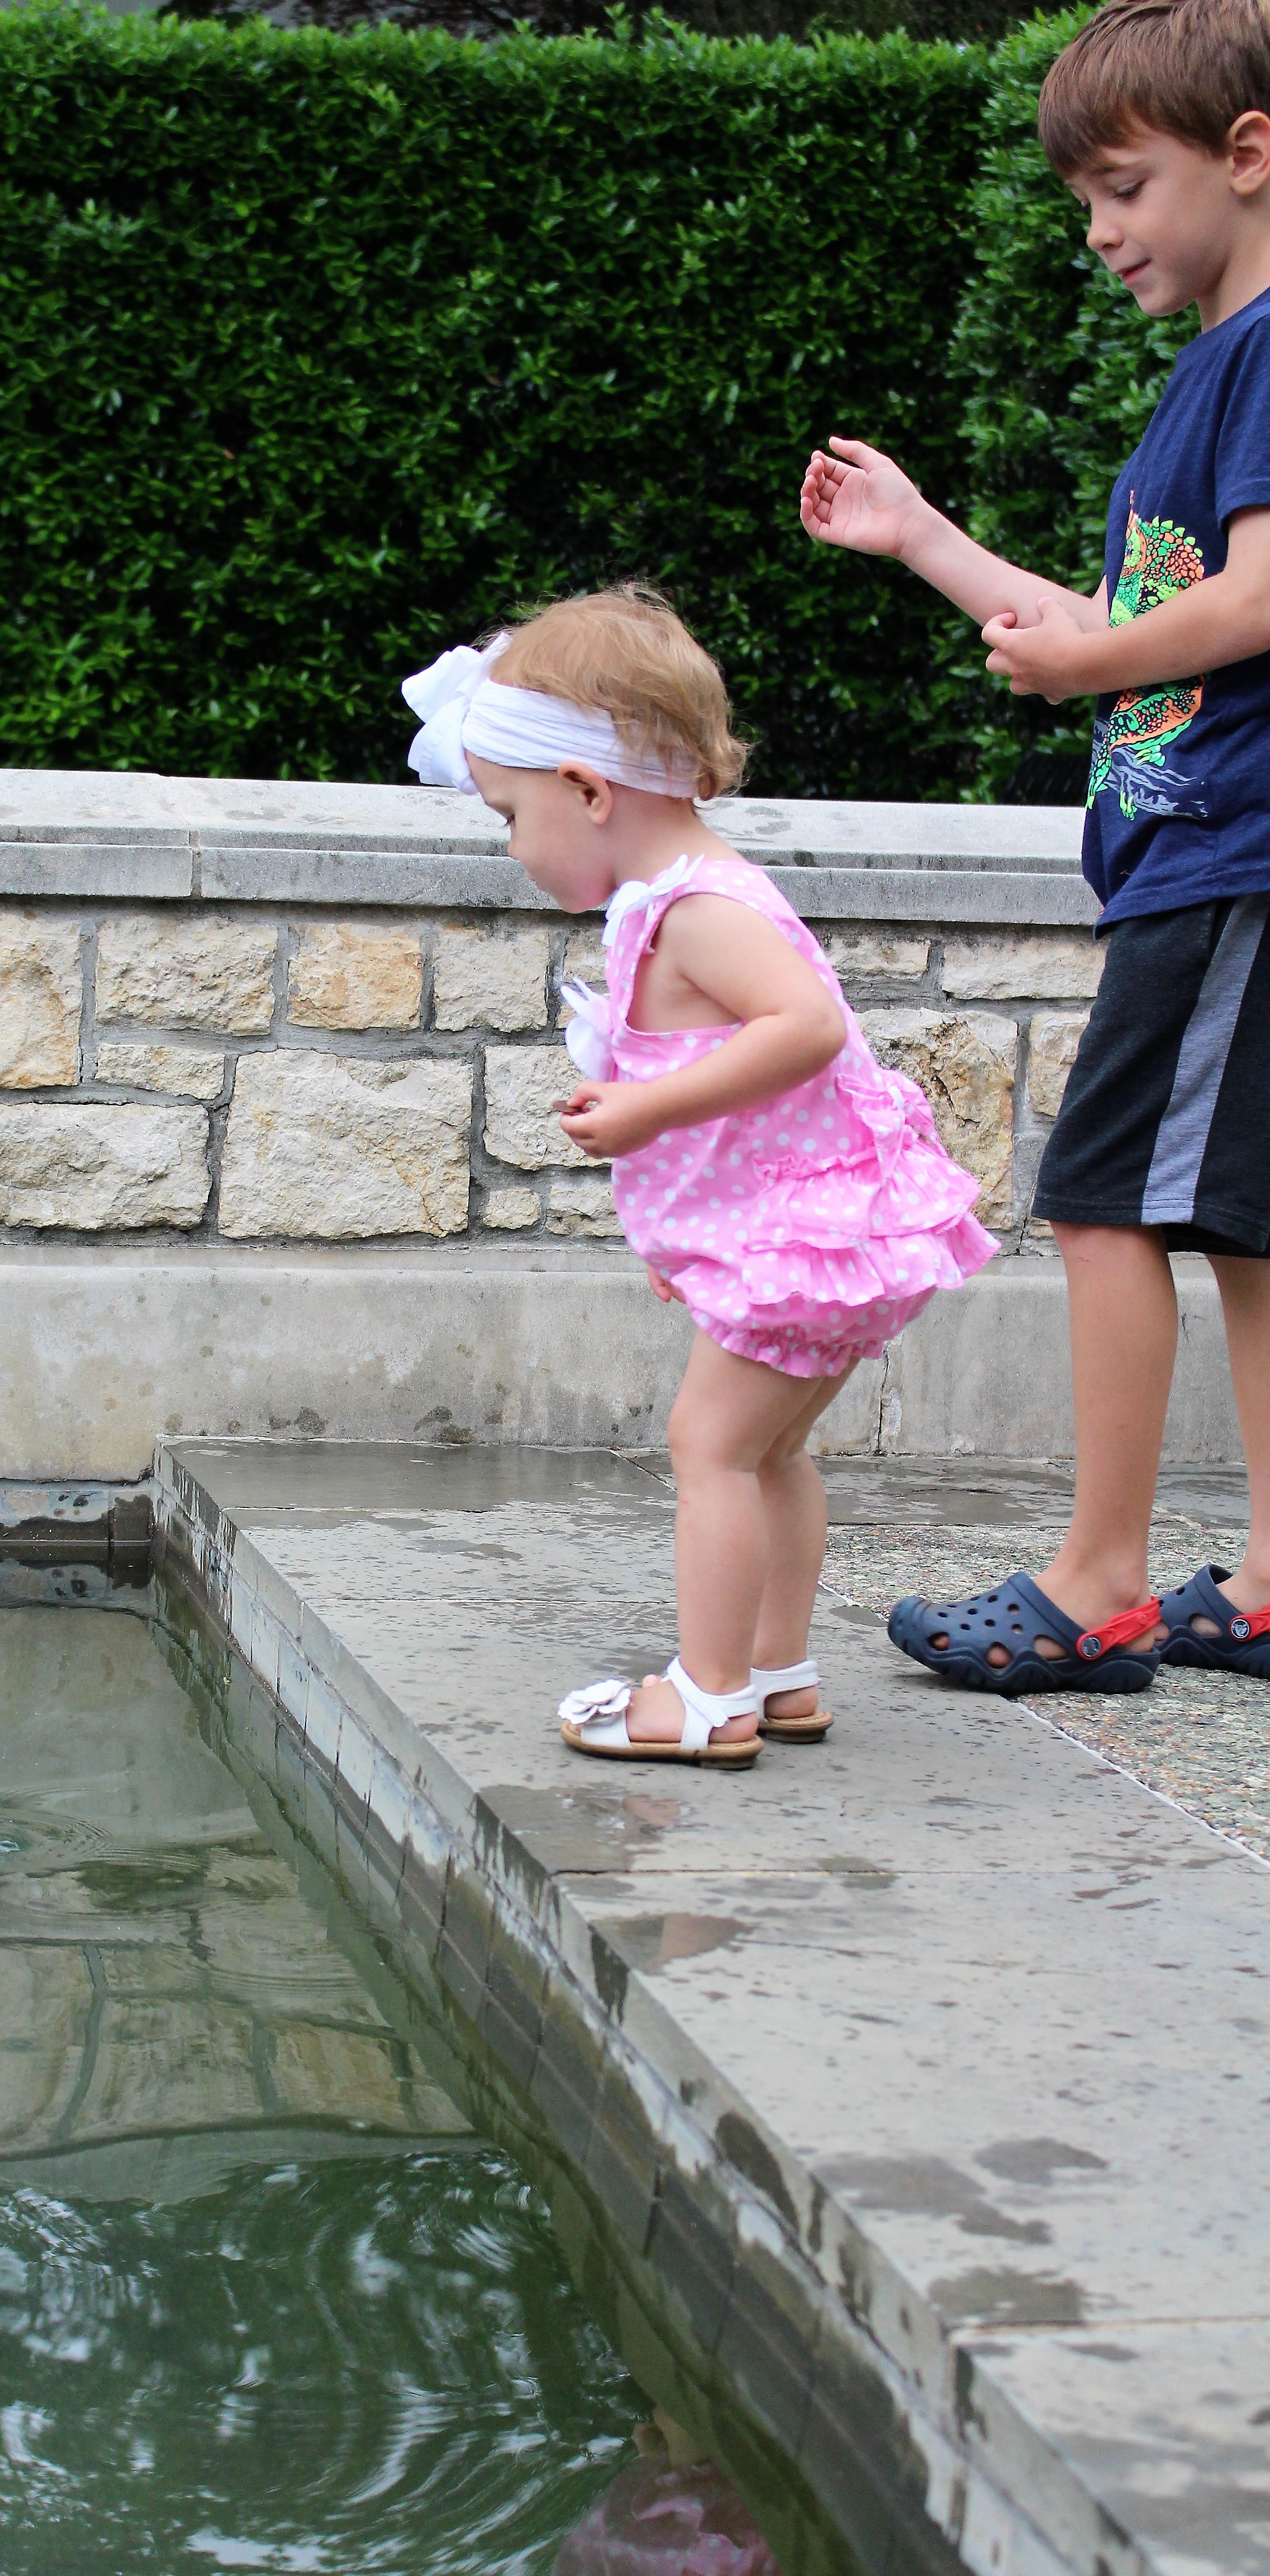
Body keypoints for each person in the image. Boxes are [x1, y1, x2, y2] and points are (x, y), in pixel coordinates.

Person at [801, 0, 1270, 1697]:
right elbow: (1122, 624)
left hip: (1228, 854)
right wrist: (923, 535)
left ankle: (1098, 1584)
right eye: (1082, 200)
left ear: (1249, 154)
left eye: (1123, 188)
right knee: (1238, 1224)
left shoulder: (1266, 351)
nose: (1096, 231)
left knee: (1098, 1202)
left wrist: (1090, 663)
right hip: (1212, 860)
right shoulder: (1215, 370)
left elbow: (1252, 601)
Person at [403, 590, 996, 1764]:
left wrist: (645, 1108)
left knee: (710, 1449)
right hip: (813, 1236)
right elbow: (752, 1104)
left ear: (588, 789)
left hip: (810, 1239)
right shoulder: (676, 901)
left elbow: (806, 1029)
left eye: (511, 815)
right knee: (769, 1454)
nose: (513, 847)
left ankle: (708, 1696)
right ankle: (779, 1673)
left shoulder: (697, 908)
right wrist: (684, 1224)